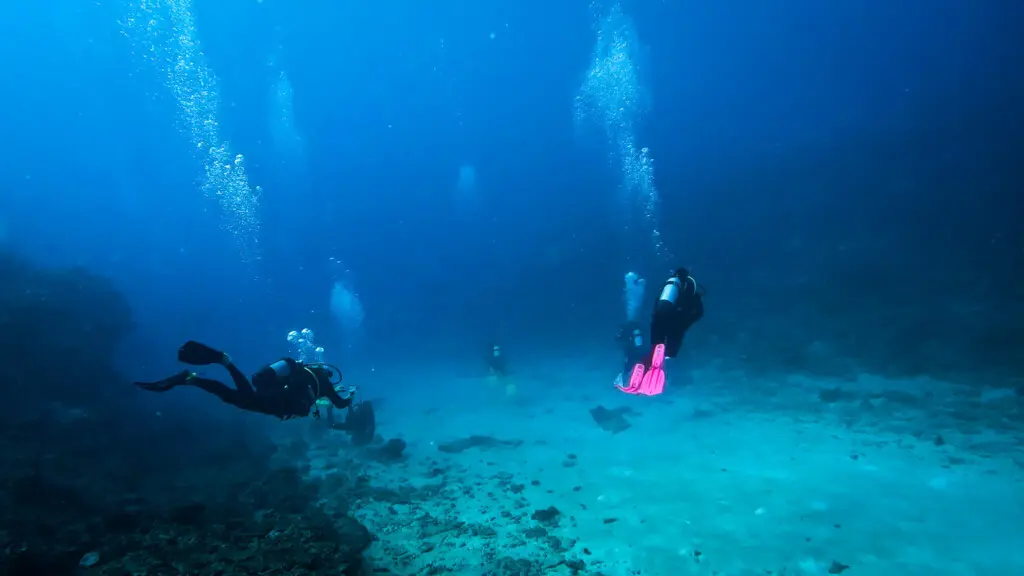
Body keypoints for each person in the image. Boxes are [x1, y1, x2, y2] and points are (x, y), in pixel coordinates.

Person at [135, 340, 355, 420]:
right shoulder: (324, 384)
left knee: (241, 398)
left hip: (272, 391)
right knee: (242, 399)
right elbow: (340, 404)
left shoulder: (304, 372)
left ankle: (194, 378)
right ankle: (223, 363)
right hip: (283, 401)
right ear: (327, 374)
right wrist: (351, 395)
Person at [617, 268, 705, 396]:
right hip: (676, 321)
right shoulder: (689, 285)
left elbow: (657, 303)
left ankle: (642, 371)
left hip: (658, 319)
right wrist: (687, 321)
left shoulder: (667, 287)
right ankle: (661, 363)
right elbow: (698, 312)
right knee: (669, 352)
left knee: (654, 350)